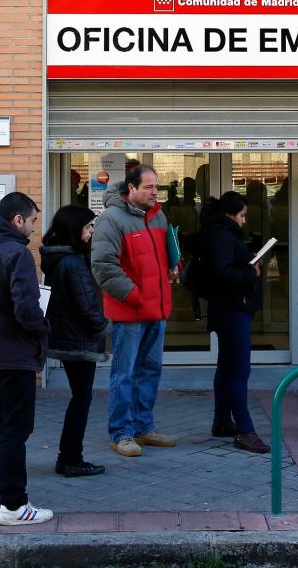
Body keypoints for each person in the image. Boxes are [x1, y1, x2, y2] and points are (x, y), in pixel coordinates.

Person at [0, 192, 54, 526]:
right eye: (32, 220)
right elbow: (26, 308)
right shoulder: (17, 253)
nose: (34, 228)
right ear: (17, 220)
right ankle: (15, 505)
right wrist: (42, 327)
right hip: (14, 353)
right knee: (15, 429)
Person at [90, 164, 176, 457]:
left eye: (156, 187)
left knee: (149, 371)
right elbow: (103, 267)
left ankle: (143, 427)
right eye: (149, 188)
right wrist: (135, 296)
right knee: (124, 373)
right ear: (131, 189)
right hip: (131, 311)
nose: (155, 193)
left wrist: (171, 269)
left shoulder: (158, 216)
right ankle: (121, 433)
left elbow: (160, 258)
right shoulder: (111, 220)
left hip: (156, 309)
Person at [41, 206, 109, 477]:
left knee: (79, 397)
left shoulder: (57, 259)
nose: (91, 232)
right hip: (80, 341)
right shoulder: (73, 262)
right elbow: (87, 305)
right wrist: (103, 327)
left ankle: (69, 456)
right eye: (88, 227)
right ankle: (70, 457)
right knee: (81, 399)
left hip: (66, 337)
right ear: (74, 229)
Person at [199, 191, 269, 453]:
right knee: (239, 370)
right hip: (232, 310)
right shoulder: (223, 237)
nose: (243, 221)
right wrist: (251, 271)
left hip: (228, 309)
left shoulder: (220, 234)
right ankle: (244, 429)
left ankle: (222, 420)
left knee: (227, 367)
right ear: (229, 214)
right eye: (241, 216)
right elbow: (223, 273)